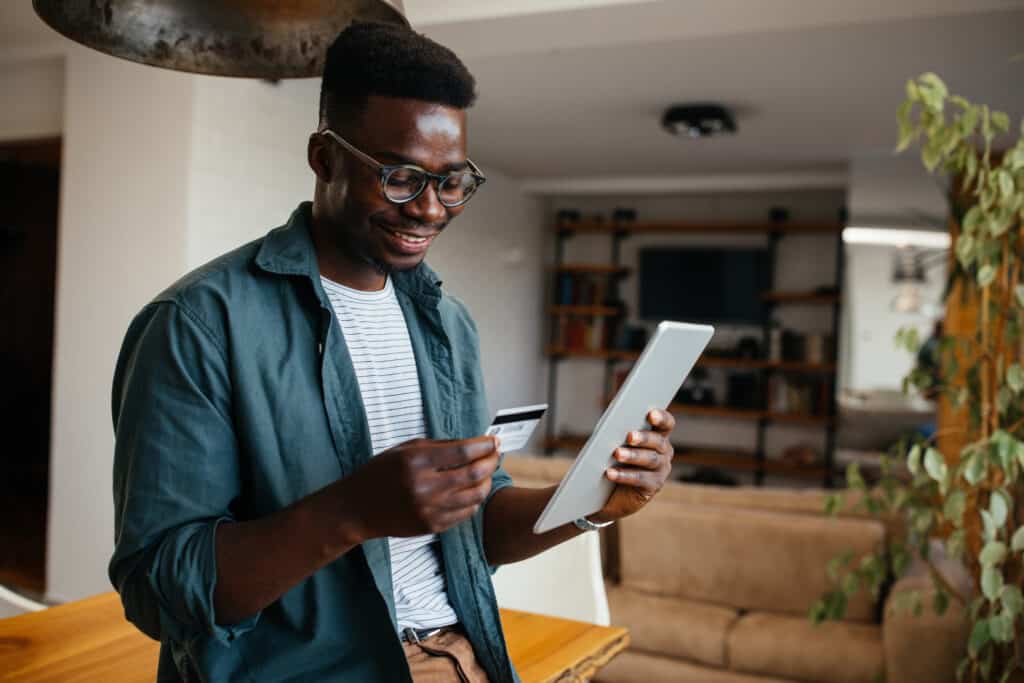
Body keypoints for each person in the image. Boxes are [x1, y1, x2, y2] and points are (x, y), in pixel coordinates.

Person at [109, 21, 677, 683]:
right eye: (402, 177)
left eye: (453, 182)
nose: (430, 210)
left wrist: (592, 501)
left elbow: (477, 525)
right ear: (325, 157)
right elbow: (159, 588)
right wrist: (351, 510)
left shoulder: (447, 323)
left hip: (470, 657)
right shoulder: (198, 325)